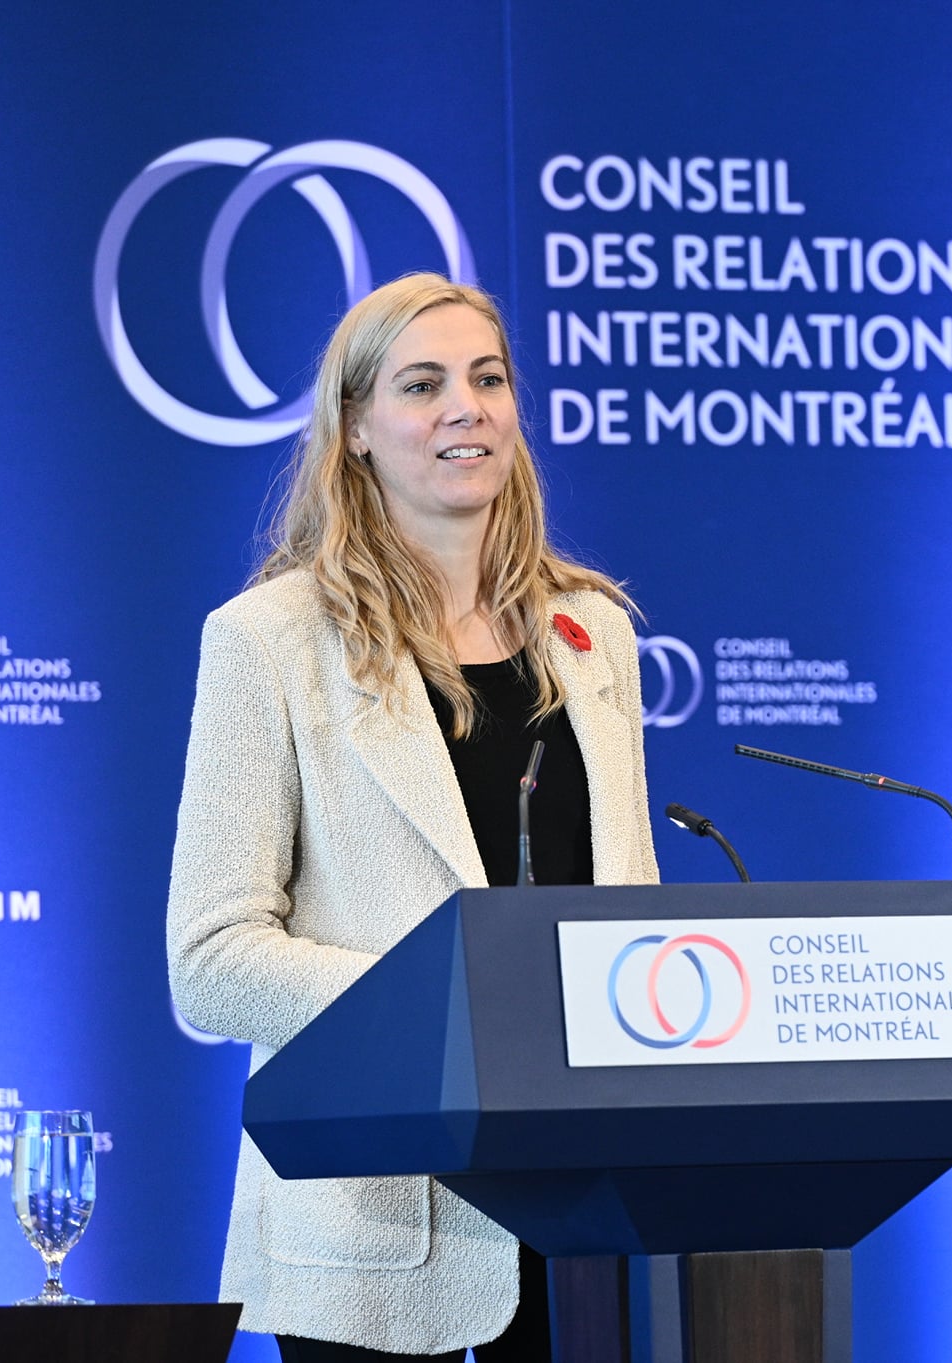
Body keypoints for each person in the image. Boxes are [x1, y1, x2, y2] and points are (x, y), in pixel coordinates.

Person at [167, 272, 659, 1361]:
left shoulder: (591, 635)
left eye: (487, 380)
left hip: (584, 1216)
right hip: (375, 1223)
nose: (464, 410)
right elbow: (210, 959)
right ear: (354, 427)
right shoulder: (270, 641)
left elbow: (628, 911)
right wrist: (454, 1006)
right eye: (422, 385)